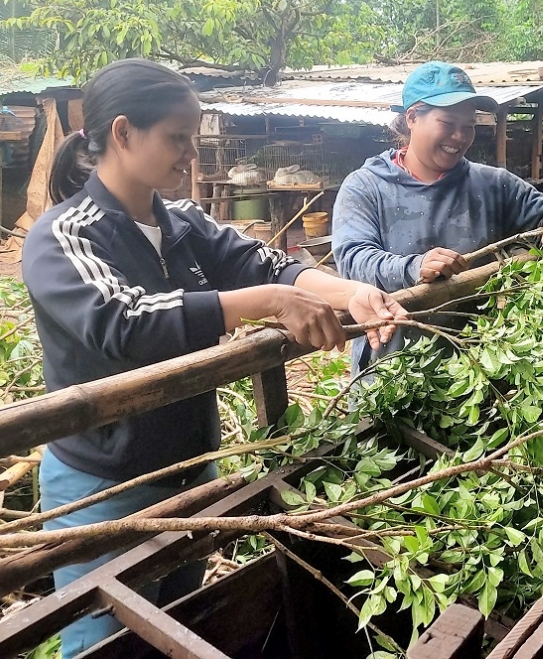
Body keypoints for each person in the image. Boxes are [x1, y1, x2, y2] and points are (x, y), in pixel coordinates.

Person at [22, 58, 407, 658]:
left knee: (182, 621)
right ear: (123, 133)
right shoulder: (65, 235)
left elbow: (269, 265)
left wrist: (350, 292)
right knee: (104, 645)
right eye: (177, 138)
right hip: (105, 486)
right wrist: (266, 303)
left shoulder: (185, 223)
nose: (191, 154)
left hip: (192, 466)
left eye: (193, 137)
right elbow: (125, 322)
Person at [333, 61, 543, 372]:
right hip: (390, 375)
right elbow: (354, 261)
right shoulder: (366, 186)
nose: (460, 137)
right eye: (448, 123)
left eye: (470, 125)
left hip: (477, 371)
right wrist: (413, 267)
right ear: (412, 118)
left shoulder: (492, 185)